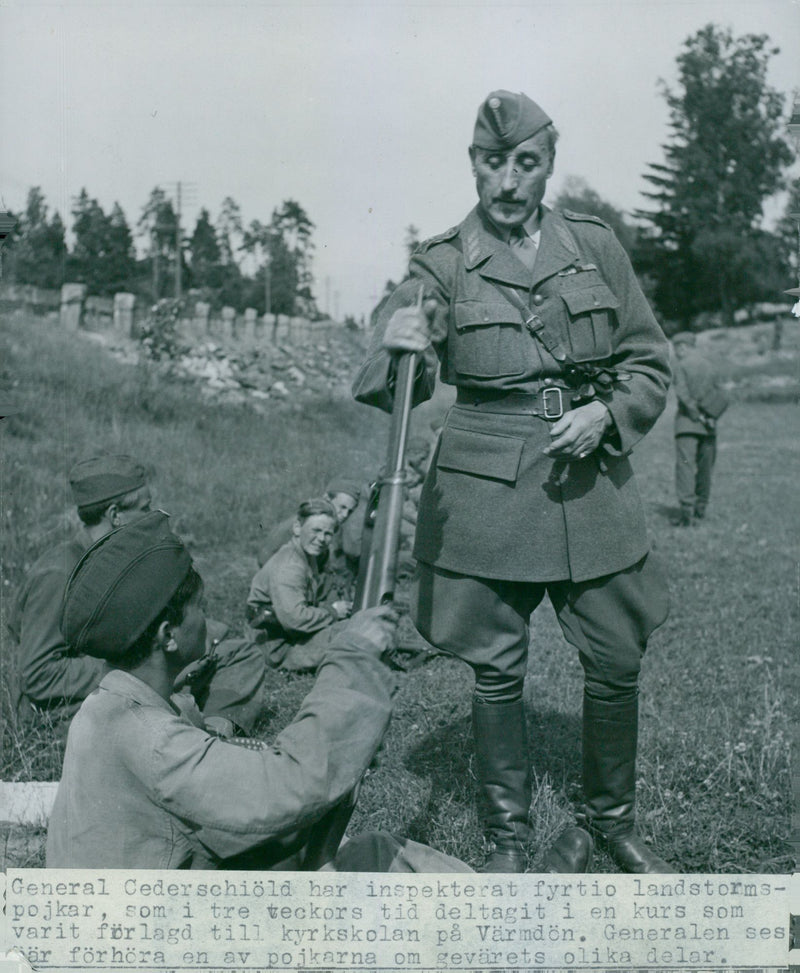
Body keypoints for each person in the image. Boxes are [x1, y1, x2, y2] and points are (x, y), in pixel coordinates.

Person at [353, 90, 675, 874]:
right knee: (498, 664)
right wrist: (396, 338)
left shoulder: (594, 247)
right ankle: (507, 837)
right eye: (491, 162)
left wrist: (605, 412)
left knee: (616, 652)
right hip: (487, 490)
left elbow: (649, 361)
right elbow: (400, 354)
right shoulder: (443, 260)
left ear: (547, 166)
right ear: (473, 163)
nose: (505, 181)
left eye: (523, 163)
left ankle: (610, 822)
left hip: (588, 478)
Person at [46, 511, 471, 872]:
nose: (209, 621)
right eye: (201, 609)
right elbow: (293, 785)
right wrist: (355, 656)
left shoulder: (106, 707)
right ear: (168, 635)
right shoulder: (152, 740)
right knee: (378, 857)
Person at [8, 454, 266, 738]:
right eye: (145, 508)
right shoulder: (59, 573)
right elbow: (39, 674)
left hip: (135, 675)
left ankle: (216, 733)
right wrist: (137, 667)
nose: (153, 514)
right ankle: (190, 736)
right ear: (116, 515)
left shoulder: (118, 561)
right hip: (79, 704)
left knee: (239, 653)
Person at [246, 498, 352, 672]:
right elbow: (294, 619)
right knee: (353, 632)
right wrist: (333, 611)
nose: (321, 539)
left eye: (328, 534)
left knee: (354, 628)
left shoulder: (307, 555)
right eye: (315, 530)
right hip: (277, 648)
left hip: (288, 636)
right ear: (297, 528)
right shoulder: (289, 567)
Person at [671, 331, 726, 526]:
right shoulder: (710, 366)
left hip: (687, 425)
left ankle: (687, 513)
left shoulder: (681, 366)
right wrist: (710, 416)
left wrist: (696, 415)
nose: (675, 353)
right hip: (709, 426)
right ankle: (701, 508)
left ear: (682, 347)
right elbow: (721, 396)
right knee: (705, 468)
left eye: (676, 348)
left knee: (685, 467)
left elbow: (683, 395)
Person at [257, 476, 361, 567]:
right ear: (327, 498)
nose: (345, 515)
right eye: (342, 507)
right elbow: (264, 556)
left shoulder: (334, 528)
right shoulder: (302, 523)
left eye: (350, 511)